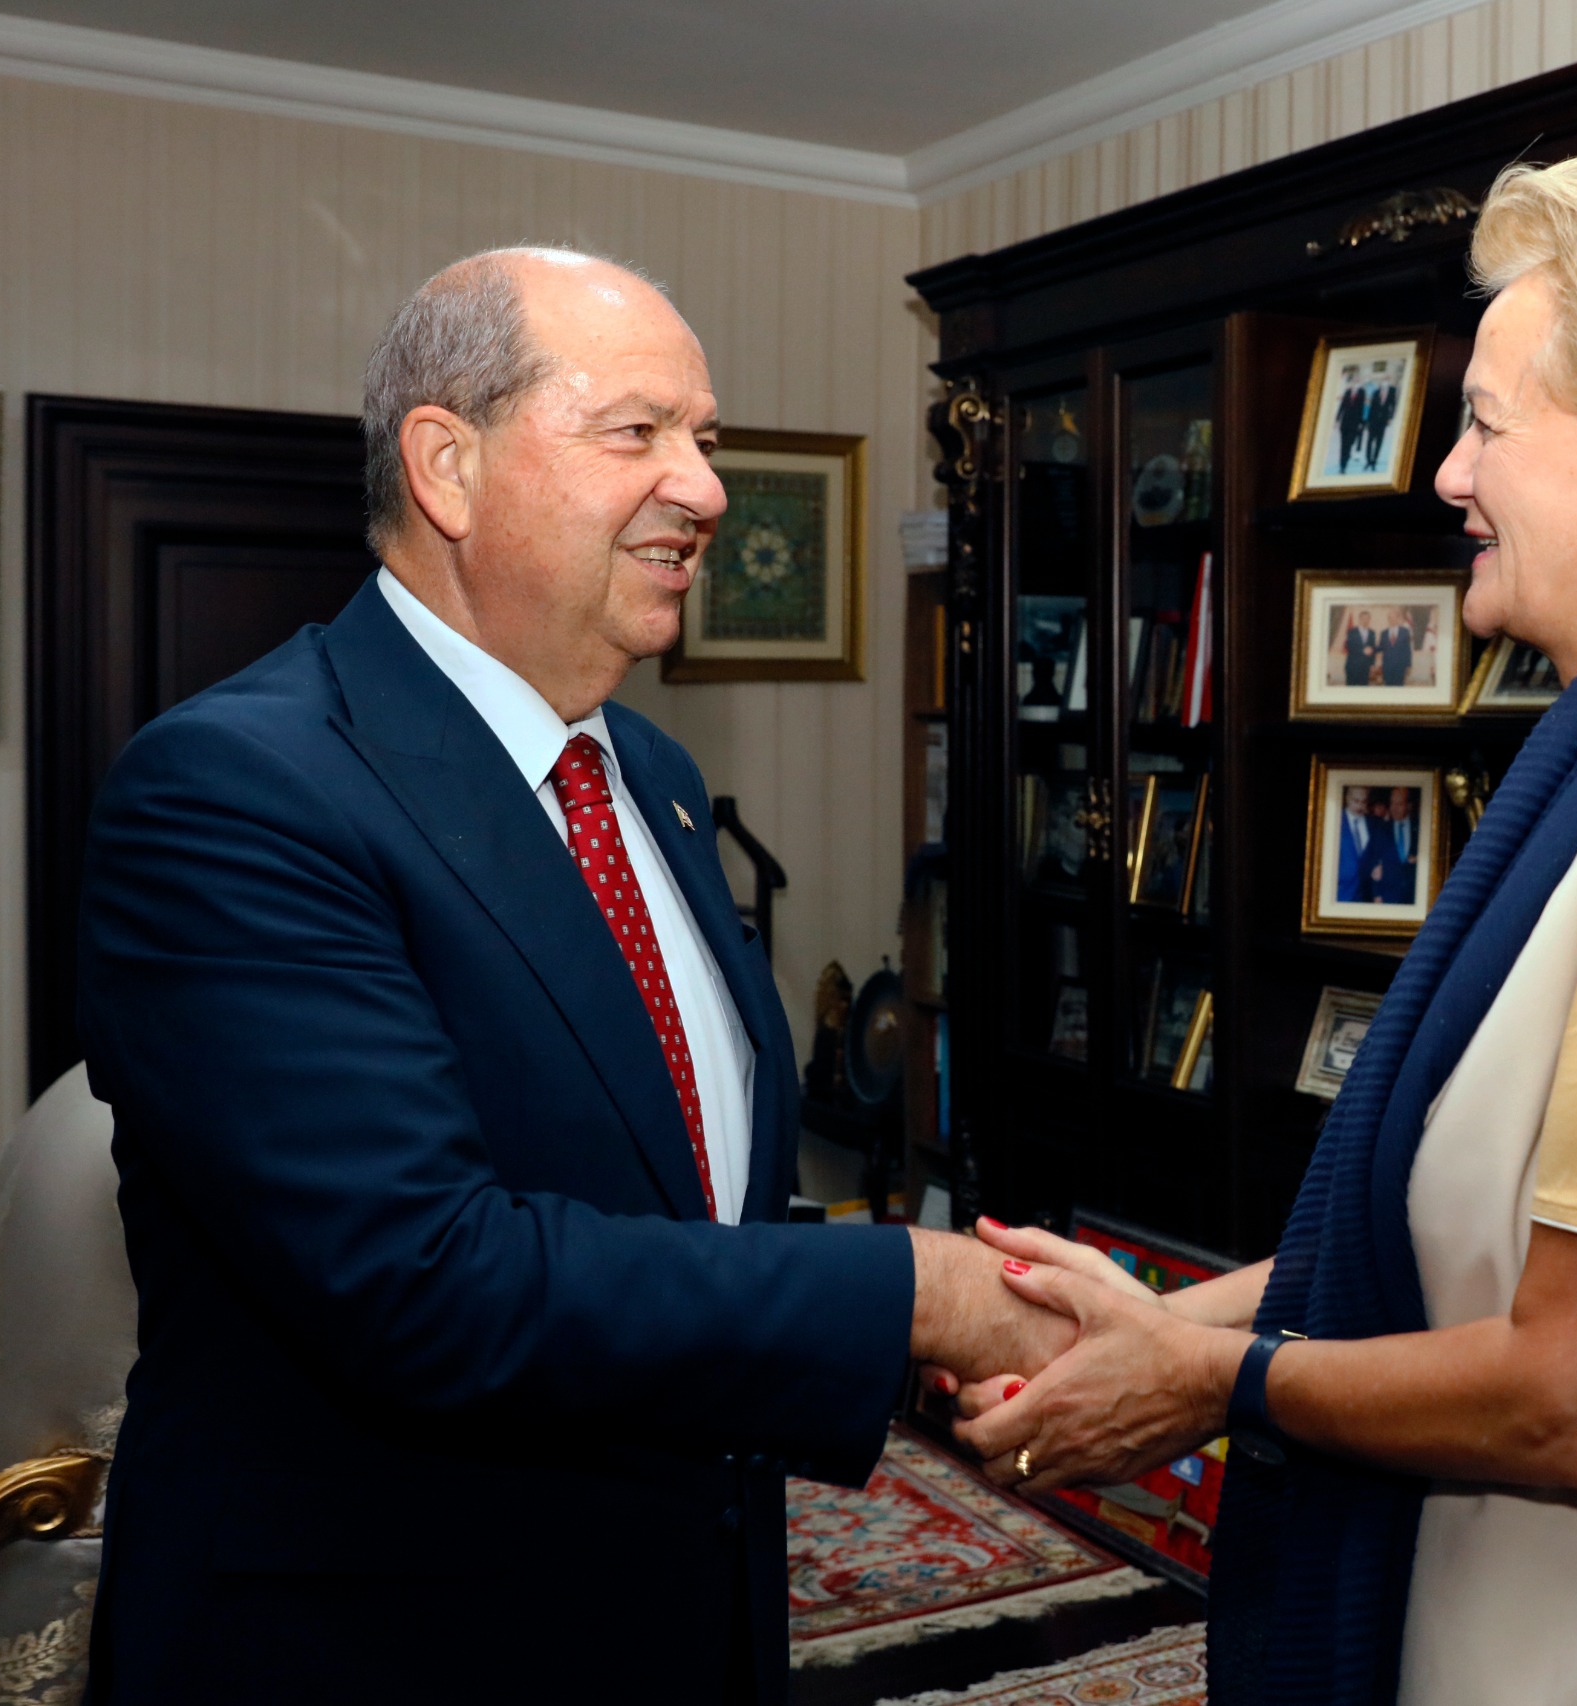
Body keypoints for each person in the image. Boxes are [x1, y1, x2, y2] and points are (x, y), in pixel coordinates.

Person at [938, 151, 1577, 1706]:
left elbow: (1575, 1395)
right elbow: (1446, 1239)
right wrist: (1144, 1321)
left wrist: (1210, 1377)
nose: (1448, 475)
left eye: (1485, 423)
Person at [76, 247, 1067, 1706]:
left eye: (706, 438)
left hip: (679, 1605)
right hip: (386, 1646)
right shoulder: (235, 790)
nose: (706, 488)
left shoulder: (647, 773)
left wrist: (912, 1333)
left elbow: (674, 1192)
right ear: (448, 466)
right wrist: (909, 1291)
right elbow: (424, 1280)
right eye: (638, 431)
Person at [1381, 608, 1416, 689]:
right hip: (1387, 667)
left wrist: (1409, 665)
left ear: (1398, 618)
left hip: (1400, 666)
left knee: (1399, 689)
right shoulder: (1384, 633)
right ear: (1388, 619)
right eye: (1390, 618)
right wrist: (1370, 648)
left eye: (1394, 617)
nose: (1392, 620)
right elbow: (1380, 647)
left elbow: (1407, 649)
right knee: (1388, 689)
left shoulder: (1405, 631)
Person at [1342, 607, 1375, 686]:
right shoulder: (1352, 631)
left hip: (1365, 667)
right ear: (1359, 619)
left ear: (1369, 620)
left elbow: (1372, 649)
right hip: (1352, 666)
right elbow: (1349, 646)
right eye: (1363, 618)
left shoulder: (1372, 633)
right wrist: (1362, 650)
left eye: (1367, 618)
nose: (1365, 620)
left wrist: (1372, 664)